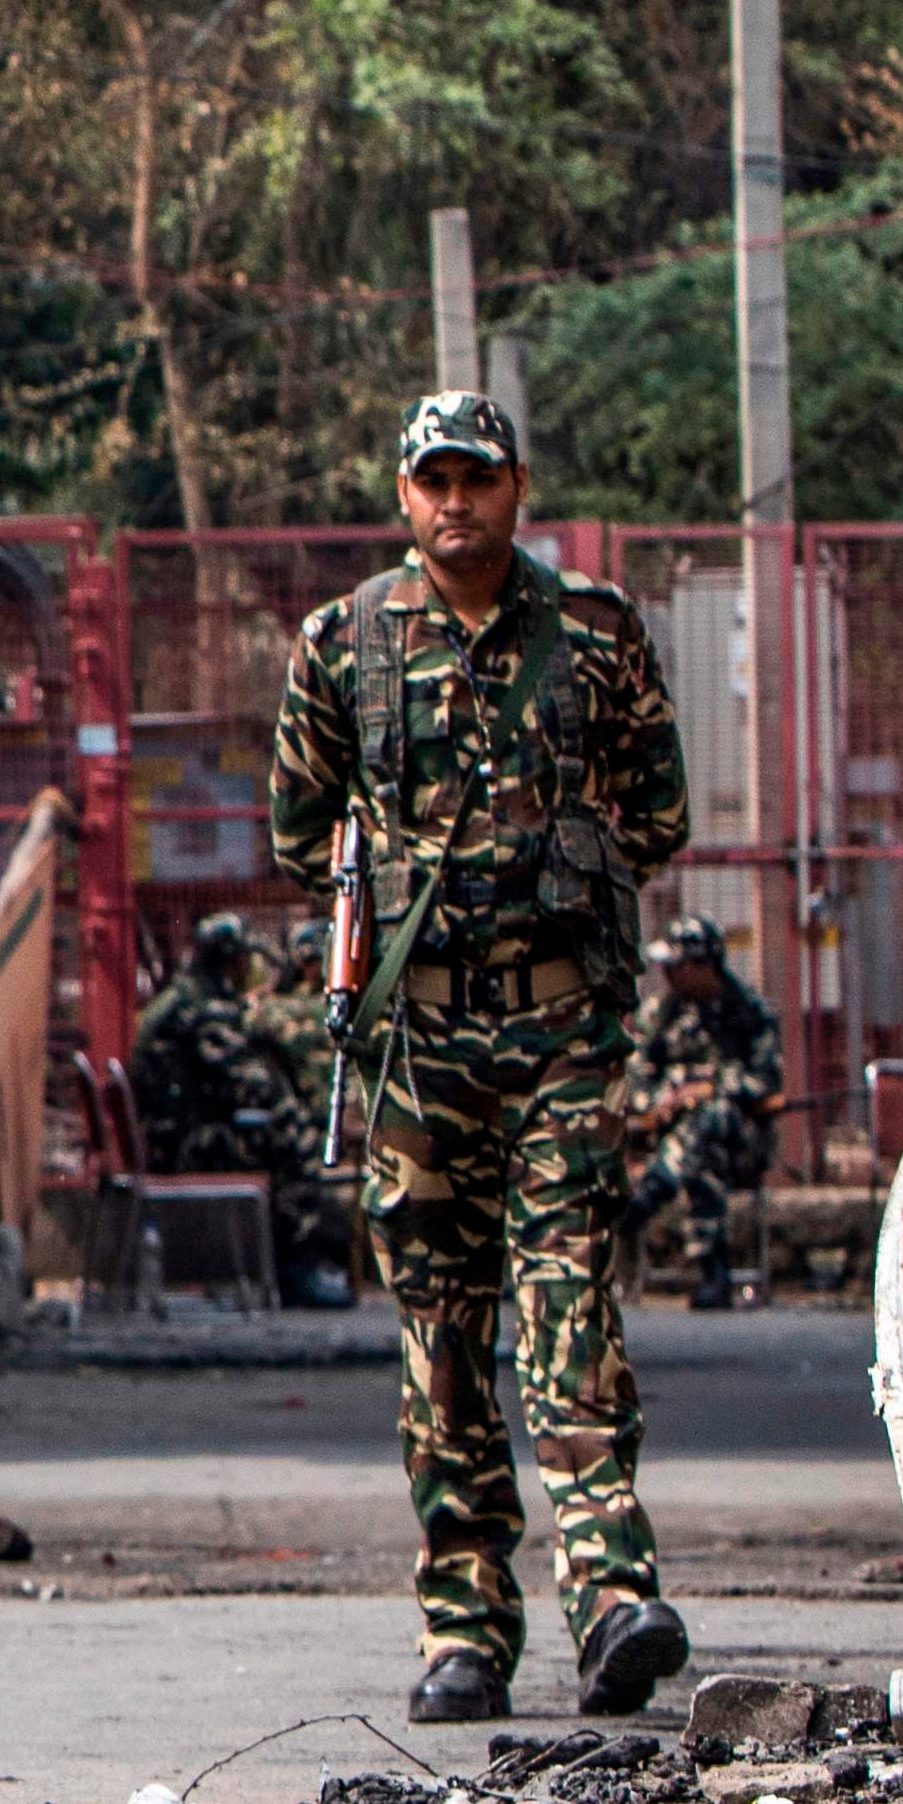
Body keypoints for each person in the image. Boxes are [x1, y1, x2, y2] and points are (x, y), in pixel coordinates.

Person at [264, 389, 694, 1732]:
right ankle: (464, 1626)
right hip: (415, 1044)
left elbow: (659, 807)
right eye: (433, 478)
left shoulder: (596, 635)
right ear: (404, 496)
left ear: (519, 488)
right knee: (443, 1335)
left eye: (480, 477)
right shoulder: (341, 645)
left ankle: (612, 1596)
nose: (456, 501)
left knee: (567, 1297)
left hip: (562, 1027)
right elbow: (297, 830)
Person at [128, 910, 359, 1309]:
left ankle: (291, 1264)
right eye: (243, 959)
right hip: (186, 1145)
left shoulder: (183, 997)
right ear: (230, 959)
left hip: (171, 1136)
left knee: (284, 1131)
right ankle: (296, 1269)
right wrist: (300, 1116)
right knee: (294, 1139)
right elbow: (251, 1085)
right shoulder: (202, 1009)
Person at [623, 916, 788, 1311]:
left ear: (704, 965)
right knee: (699, 1147)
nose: (667, 974)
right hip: (674, 1138)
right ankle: (715, 1272)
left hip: (740, 1139)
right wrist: (667, 1099)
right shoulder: (661, 1013)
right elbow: (637, 1077)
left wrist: (710, 1087)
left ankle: (649, 1196)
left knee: (711, 1116)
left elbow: (766, 1081)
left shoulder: (749, 1011)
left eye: (676, 966)